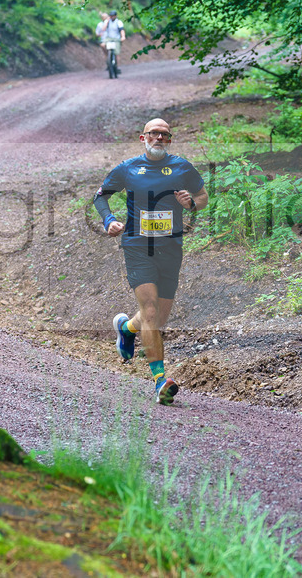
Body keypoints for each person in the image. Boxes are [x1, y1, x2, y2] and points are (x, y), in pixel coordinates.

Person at [93, 118, 208, 405]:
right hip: (137, 246)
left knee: (156, 320)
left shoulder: (182, 167)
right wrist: (109, 220)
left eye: (164, 135)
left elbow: (202, 197)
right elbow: (100, 197)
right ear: (143, 138)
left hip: (171, 248)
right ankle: (160, 381)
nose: (159, 138)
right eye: (153, 133)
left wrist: (191, 204)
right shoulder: (128, 168)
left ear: (170, 140)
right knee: (151, 311)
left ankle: (126, 329)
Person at [99, 10, 126, 74]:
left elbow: (121, 30)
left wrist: (123, 36)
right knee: (102, 45)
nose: (112, 17)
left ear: (115, 16)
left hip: (116, 38)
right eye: (111, 16)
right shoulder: (107, 21)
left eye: (113, 16)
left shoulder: (119, 22)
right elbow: (103, 29)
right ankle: (107, 55)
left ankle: (117, 66)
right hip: (108, 38)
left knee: (116, 53)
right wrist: (107, 22)